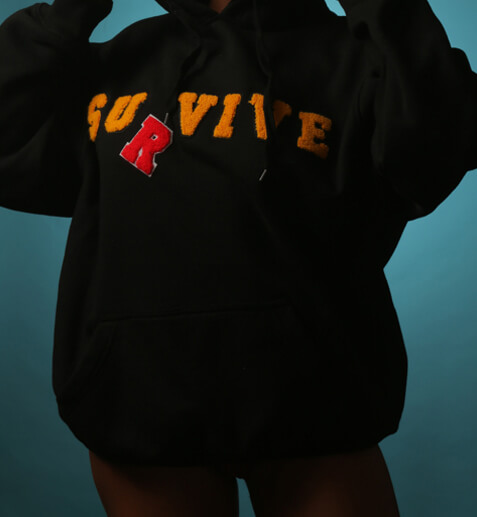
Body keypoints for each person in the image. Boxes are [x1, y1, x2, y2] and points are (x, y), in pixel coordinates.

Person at [0, 0, 475, 515]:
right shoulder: (120, 59)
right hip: (140, 408)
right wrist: (72, 10)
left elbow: (437, 150)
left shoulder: (359, 56)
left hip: (316, 408)